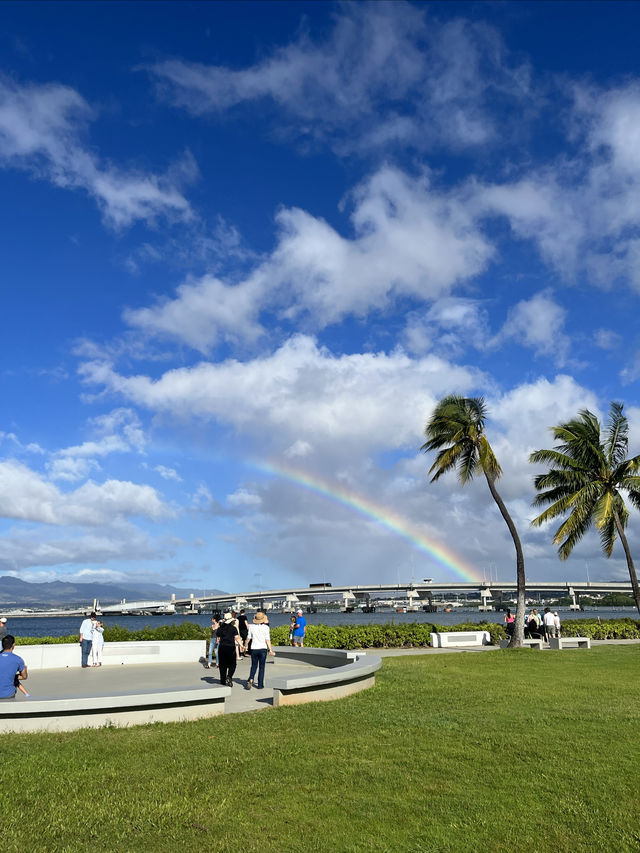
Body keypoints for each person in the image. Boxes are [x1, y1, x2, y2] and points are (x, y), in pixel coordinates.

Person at [244, 611, 275, 690]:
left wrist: (245, 645)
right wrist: (270, 650)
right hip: (263, 649)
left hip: (254, 649)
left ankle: (251, 678)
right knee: (262, 667)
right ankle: (260, 685)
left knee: (254, 665)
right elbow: (267, 640)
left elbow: (248, 638)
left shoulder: (251, 627)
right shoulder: (266, 628)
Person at [216, 612, 241, 687]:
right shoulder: (233, 628)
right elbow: (237, 638)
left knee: (222, 665)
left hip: (222, 647)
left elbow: (218, 635)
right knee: (233, 664)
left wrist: (220, 624)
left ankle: (222, 680)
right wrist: (242, 645)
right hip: (231, 647)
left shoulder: (220, 628)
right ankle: (229, 676)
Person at [0, 635, 28, 700]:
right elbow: (24, 677)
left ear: (2, 645)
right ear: (13, 645)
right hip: (8, 695)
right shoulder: (18, 660)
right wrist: (13, 676)